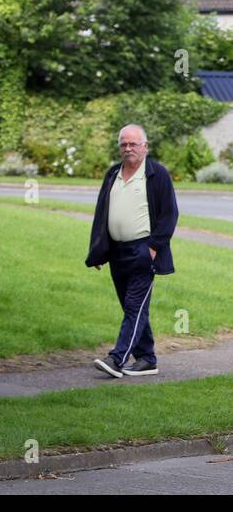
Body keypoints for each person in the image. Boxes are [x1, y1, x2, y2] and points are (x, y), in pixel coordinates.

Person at [85, 124, 178, 378]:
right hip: (117, 251)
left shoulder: (157, 174)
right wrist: (98, 251)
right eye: (123, 144)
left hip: (143, 250)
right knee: (131, 307)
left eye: (133, 144)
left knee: (135, 306)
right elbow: (101, 213)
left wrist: (153, 247)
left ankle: (117, 358)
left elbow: (169, 214)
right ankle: (147, 359)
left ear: (145, 146)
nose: (128, 148)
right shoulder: (113, 173)